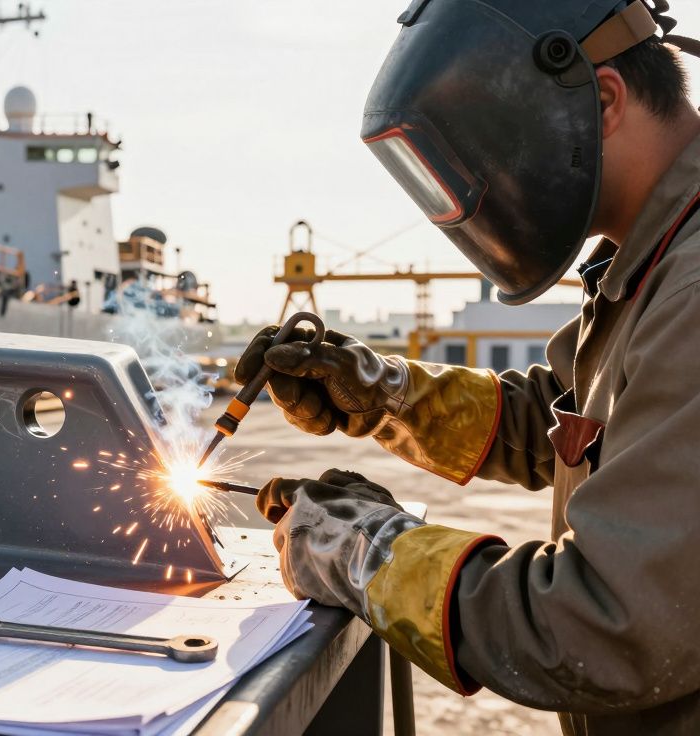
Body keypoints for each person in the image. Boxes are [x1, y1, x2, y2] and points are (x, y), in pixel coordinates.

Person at [236, 2, 700, 733]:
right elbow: (569, 419)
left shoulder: (693, 286)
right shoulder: (656, 257)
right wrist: (382, 394)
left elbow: (604, 623)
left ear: (603, 102)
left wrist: (369, 553)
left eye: (496, 156)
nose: (486, 190)